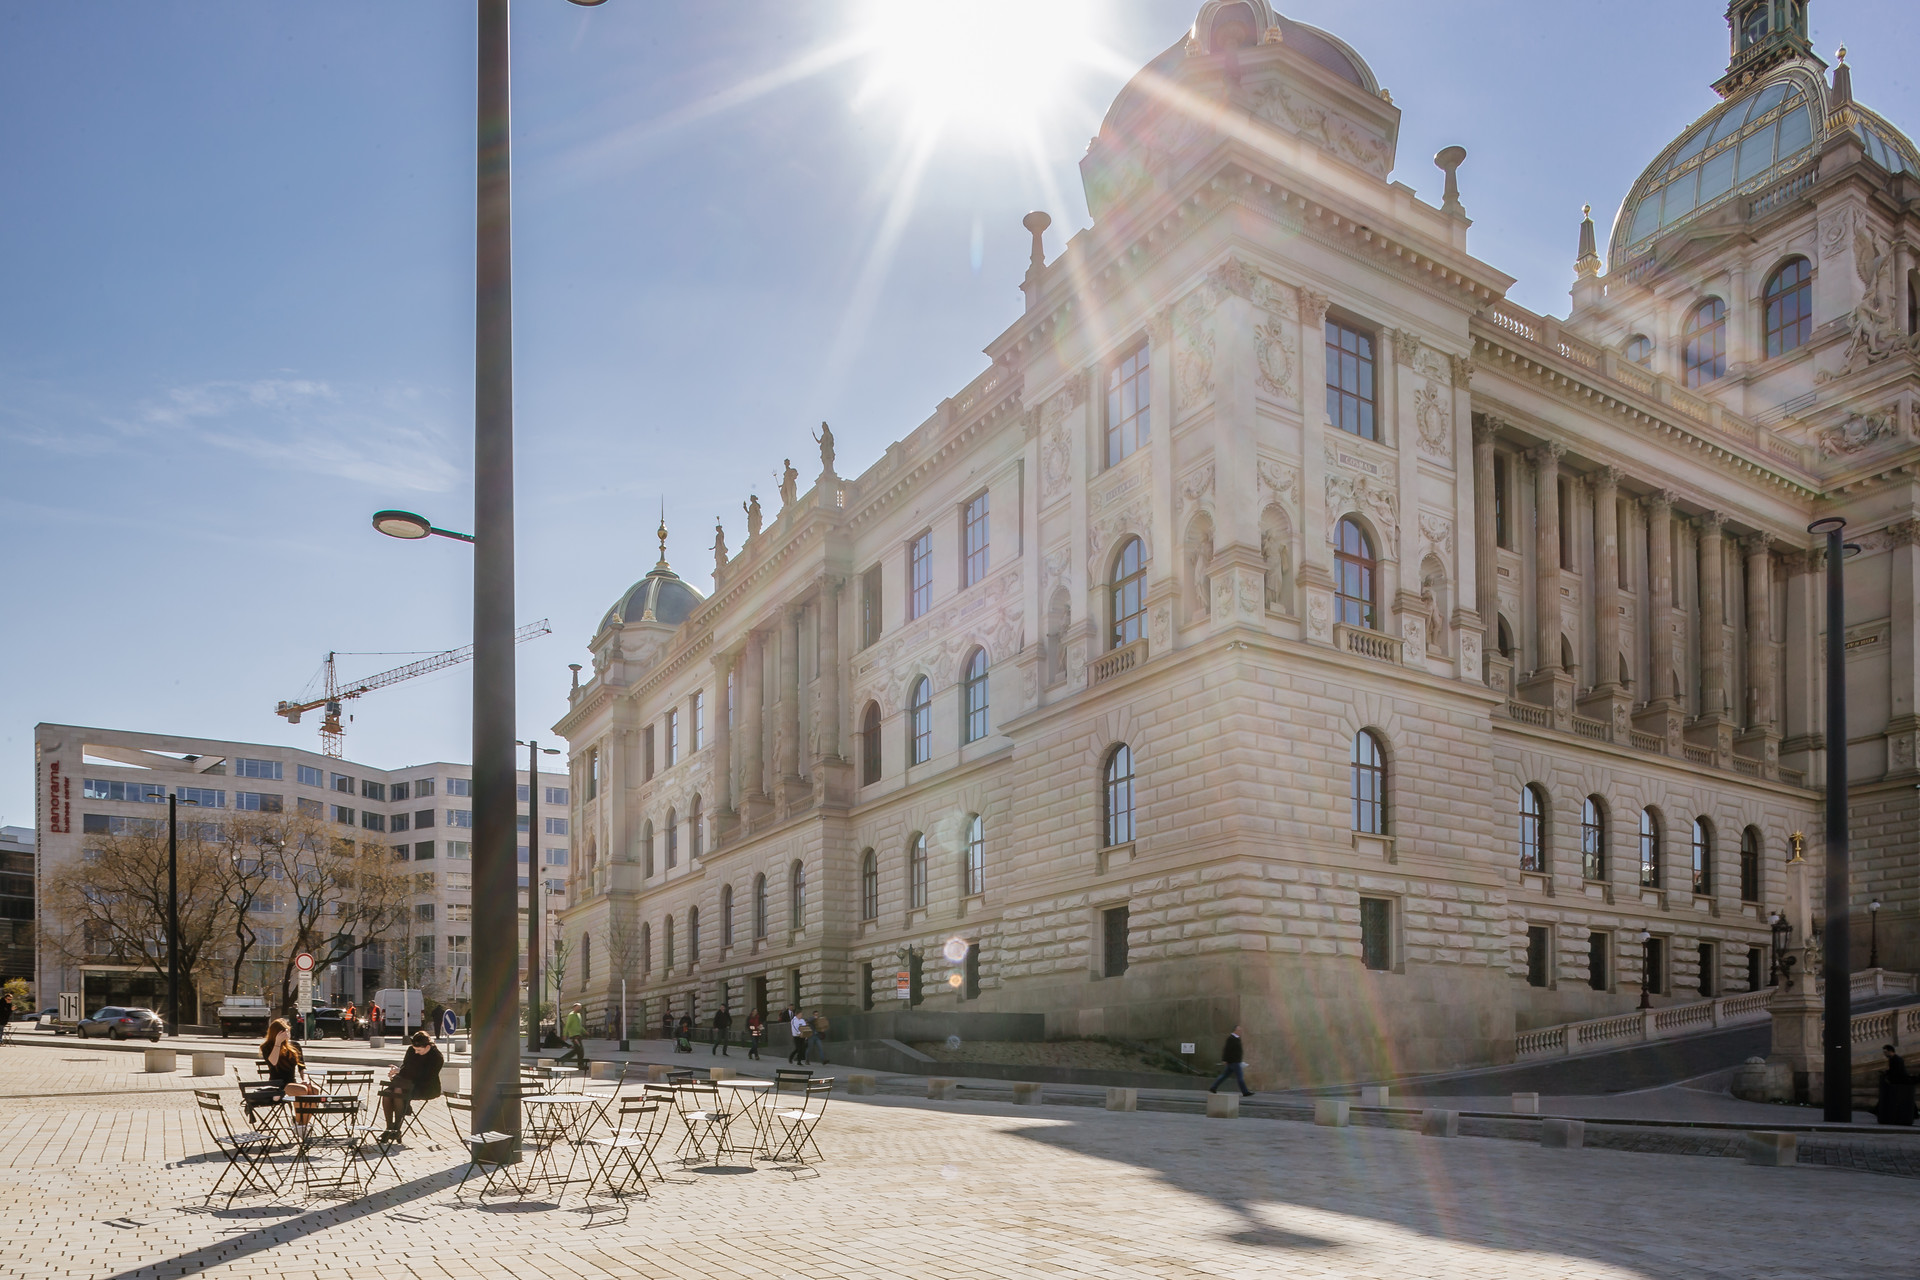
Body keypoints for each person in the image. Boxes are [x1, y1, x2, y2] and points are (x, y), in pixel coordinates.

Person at [258, 1018, 322, 1134]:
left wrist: (305, 1079)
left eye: (288, 1031)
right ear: (276, 1033)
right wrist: (277, 1043)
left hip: (291, 1082)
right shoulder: (267, 1046)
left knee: (314, 1090)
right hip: (276, 1085)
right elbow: (273, 1063)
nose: (287, 1035)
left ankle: (301, 1125)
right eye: (284, 1032)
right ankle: (300, 1126)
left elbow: (302, 1067)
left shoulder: (295, 1045)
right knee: (301, 1090)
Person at [378, 1031, 445, 1140]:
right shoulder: (411, 1050)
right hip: (406, 1084)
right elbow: (405, 1068)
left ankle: (396, 1129)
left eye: (419, 1050)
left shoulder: (436, 1057)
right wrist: (396, 1073)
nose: (416, 1052)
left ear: (427, 1047)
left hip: (425, 1087)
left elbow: (425, 1076)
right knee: (387, 1093)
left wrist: (402, 1072)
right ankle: (389, 1128)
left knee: (398, 1091)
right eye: (414, 1049)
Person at [1208, 1024, 1254, 1098]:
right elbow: (1226, 1049)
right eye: (1239, 1030)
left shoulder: (1236, 1038)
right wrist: (1224, 1059)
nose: (1240, 1031)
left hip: (1233, 1062)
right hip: (1234, 1062)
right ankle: (1245, 1092)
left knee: (1224, 1076)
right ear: (1235, 1030)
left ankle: (1213, 1087)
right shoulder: (1231, 1038)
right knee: (1240, 1077)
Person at [1877, 1045, 1915, 1126]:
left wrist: (1888, 1075)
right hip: (1899, 1082)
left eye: (1885, 1052)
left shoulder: (1896, 1059)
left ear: (1891, 1051)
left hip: (1900, 1083)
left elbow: (1897, 1072)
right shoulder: (1894, 1059)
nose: (1885, 1054)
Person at [561, 1004, 587, 1068]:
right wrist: (565, 1034)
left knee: (577, 1050)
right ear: (574, 1008)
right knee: (580, 1049)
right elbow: (567, 1025)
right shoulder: (571, 1015)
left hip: (578, 1035)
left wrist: (585, 1031)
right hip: (574, 1036)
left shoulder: (579, 1015)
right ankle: (580, 1064)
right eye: (578, 1008)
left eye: (580, 1008)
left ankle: (564, 1059)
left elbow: (579, 1026)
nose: (579, 1009)